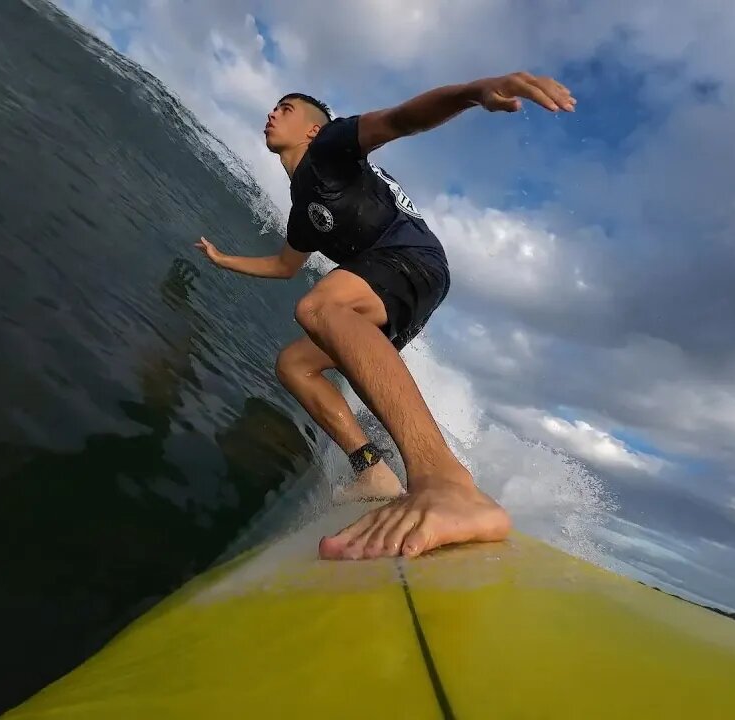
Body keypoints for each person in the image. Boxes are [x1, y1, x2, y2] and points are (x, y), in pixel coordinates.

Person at [195, 72, 576, 560]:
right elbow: (284, 265)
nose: (273, 113)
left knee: (321, 306)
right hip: (394, 286)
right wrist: (223, 258)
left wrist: (472, 92)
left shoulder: (332, 147)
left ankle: (446, 483)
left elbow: (401, 120)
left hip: (413, 262)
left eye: (286, 108)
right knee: (295, 364)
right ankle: (371, 469)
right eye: (274, 107)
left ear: (314, 129)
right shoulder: (302, 206)